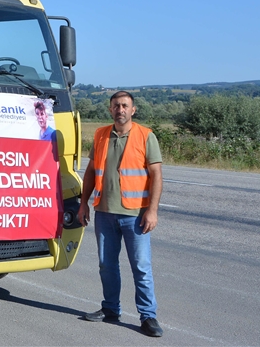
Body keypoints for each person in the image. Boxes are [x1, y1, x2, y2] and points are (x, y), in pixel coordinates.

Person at [76, 90, 164, 338]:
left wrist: (152, 210)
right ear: (110, 109)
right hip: (104, 212)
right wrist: (83, 204)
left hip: (135, 215)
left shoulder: (146, 136)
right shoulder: (101, 134)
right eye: (116, 106)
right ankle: (110, 309)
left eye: (125, 106)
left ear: (133, 110)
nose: (120, 110)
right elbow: (91, 172)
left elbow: (156, 175)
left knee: (141, 267)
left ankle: (148, 316)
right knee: (107, 265)